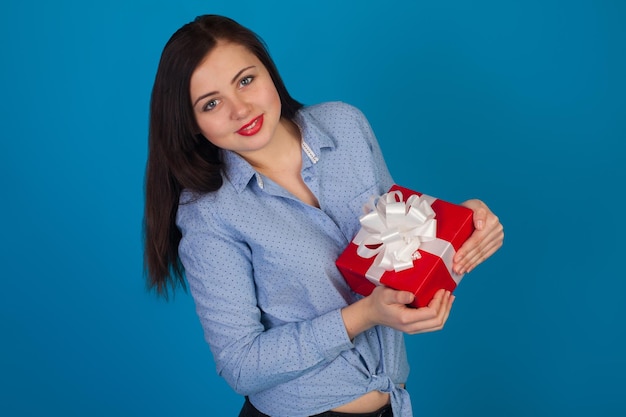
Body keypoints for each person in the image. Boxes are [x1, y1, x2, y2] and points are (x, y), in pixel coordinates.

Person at [144, 14, 504, 417]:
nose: (240, 109)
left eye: (246, 80)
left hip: (394, 403)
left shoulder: (345, 124)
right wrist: (363, 316)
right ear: (191, 124)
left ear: (269, 70)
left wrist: (461, 223)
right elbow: (241, 365)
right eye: (211, 103)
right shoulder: (208, 213)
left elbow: (398, 233)